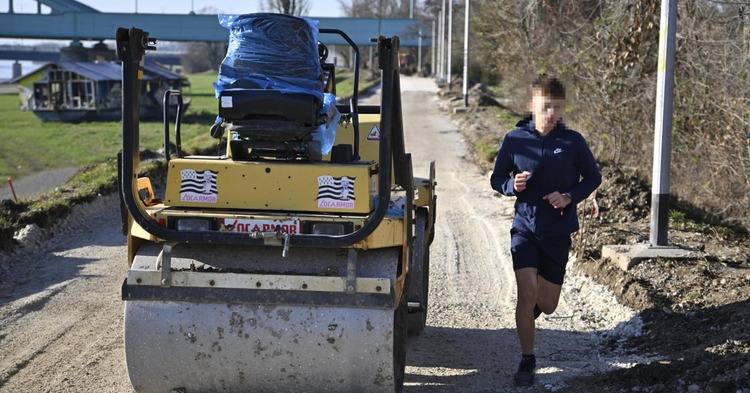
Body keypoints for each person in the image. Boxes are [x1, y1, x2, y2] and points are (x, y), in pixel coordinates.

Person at [490, 74, 602, 387]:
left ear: (562, 108)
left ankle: (535, 309)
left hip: (557, 232)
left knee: (548, 305)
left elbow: (593, 178)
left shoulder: (573, 142)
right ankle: (527, 360)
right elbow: (497, 177)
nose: (550, 113)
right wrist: (512, 185)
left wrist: (569, 195)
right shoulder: (515, 140)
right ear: (532, 105)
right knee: (526, 294)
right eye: (544, 106)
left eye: (556, 107)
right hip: (524, 228)